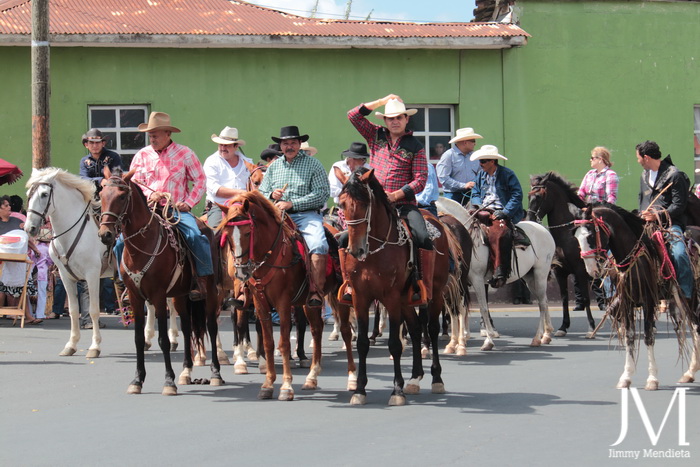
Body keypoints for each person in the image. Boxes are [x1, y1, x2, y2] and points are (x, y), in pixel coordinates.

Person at [347, 94, 434, 302]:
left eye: (399, 118)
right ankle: (349, 284)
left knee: (422, 237)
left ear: (406, 119)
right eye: (390, 118)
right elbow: (353, 116)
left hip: (403, 205)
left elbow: (421, 179)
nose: (394, 121)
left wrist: (396, 195)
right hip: (374, 205)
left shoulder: (416, 145)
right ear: (384, 120)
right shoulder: (375, 135)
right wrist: (381, 101)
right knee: (344, 238)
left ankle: (422, 286)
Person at [128, 111, 213, 300]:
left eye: (156, 134)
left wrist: (189, 203)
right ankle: (126, 283)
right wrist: (151, 194)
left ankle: (201, 279)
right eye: (150, 135)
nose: (152, 138)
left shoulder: (185, 153)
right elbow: (133, 184)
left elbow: (200, 180)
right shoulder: (142, 155)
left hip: (175, 210)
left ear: (168, 134)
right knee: (120, 241)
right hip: (147, 210)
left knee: (195, 235)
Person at [258, 126, 330, 307]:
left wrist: (293, 204)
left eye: (292, 143)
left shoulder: (314, 165)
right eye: (285, 143)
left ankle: (315, 291)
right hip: (276, 216)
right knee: (250, 240)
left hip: (306, 216)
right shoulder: (273, 166)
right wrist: (270, 195)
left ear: (299, 144)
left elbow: (322, 194)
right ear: (280, 146)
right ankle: (245, 291)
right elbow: (261, 192)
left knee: (319, 244)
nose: (289, 146)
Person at [636, 140, 692, 299]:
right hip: (647, 225)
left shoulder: (674, 174)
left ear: (646, 157)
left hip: (670, 225)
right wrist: (642, 215)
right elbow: (642, 200)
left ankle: (686, 292)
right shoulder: (644, 175)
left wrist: (657, 215)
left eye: (638, 158)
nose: (638, 161)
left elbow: (679, 206)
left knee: (680, 254)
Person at [470, 144, 523, 288]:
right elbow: (475, 193)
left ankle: (500, 271)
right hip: (483, 210)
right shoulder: (481, 175)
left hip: (500, 211)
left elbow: (517, 195)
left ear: (492, 162)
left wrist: (505, 212)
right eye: (480, 161)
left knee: (499, 234)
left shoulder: (507, 174)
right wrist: (478, 205)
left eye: (483, 161)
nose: (480, 164)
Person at [576, 146, 618, 311]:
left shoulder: (611, 175)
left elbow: (611, 199)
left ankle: (610, 294)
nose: (590, 160)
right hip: (588, 216)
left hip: (602, 217)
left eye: (592, 158)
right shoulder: (589, 174)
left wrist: (595, 209)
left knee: (605, 255)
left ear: (601, 159)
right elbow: (581, 194)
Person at [203, 126, 252, 228]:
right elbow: (215, 190)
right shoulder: (211, 161)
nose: (222, 148)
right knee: (216, 234)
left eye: (227, 145)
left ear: (236, 146)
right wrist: (241, 193)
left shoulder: (248, 162)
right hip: (219, 207)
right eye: (221, 144)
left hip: (244, 206)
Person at [328, 142, 372, 227]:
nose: (363, 162)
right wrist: (351, 193)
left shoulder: (368, 169)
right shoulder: (338, 166)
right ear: (352, 158)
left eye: (364, 159)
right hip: (341, 208)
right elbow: (331, 189)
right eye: (361, 159)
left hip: (363, 210)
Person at [436, 127, 483, 206]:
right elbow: (443, 178)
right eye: (473, 141)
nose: (475, 144)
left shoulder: (474, 156)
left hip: (473, 194)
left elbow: (481, 174)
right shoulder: (448, 155)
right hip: (453, 195)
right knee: (450, 216)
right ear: (465, 142)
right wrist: (464, 186)